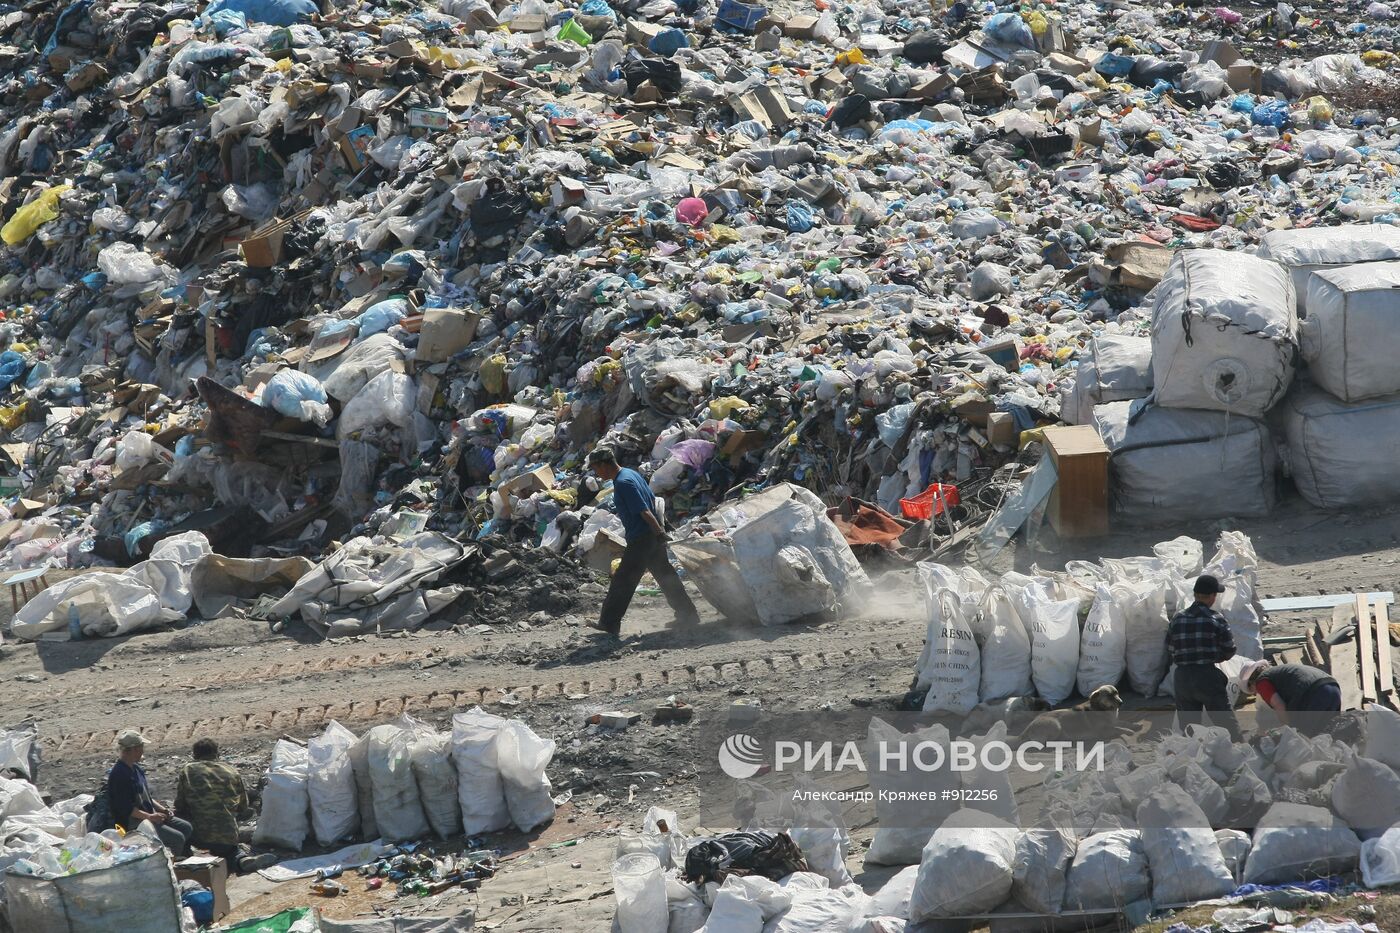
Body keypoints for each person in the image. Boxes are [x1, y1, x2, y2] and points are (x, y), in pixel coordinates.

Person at [586, 446, 700, 637]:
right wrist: (659, 533)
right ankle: (687, 615)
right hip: (651, 535)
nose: (596, 473)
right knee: (666, 576)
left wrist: (659, 532)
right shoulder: (630, 474)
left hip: (642, 537)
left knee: (623, 580)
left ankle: (609, 623)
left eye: (596, 468)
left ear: (604, 465)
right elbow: (652, 502)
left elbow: (644, 510)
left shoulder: (623, 482)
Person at [1166, 574, 1242, 741]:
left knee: (1189, 728)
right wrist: (1216, 657)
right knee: (1225, 723)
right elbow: (1230, 650)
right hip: (1207, 677)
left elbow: (1170, 648)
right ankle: (1239, 753)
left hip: (1182, 678)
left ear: (1195, 594)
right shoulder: (1216, 619)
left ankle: (1192, 759)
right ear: (1213, 596)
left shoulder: (1177, 618)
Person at [108, 730, 193, 856]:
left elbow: (146, 796)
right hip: (135, 824)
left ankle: (185, 860)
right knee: (177, 839)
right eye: (140, 748)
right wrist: (150, 817)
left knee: (186, 827)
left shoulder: (136, 769)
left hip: (149, 817)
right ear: (132, 750)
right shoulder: (119, 775)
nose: (142, 751)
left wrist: (163, 810)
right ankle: (172, 867)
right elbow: (125, 809)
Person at [175, 738, 251, 870]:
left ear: (195, 754)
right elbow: (243, 807)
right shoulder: (232, 771)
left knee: (177, 820)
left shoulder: (188, 770)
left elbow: (180, 804)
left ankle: (187, 860)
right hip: (228, 837)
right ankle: (240, 860)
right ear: (217, 753)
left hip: (199, 837)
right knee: (229, 852)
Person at [1239, 661, 1341, 735]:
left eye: (1252, 690)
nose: (1256, 693)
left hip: (1314, 694)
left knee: (1304, 737)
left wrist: (1288, 730)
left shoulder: (1261, 682)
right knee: (1328, 732)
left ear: (1252, 683)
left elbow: (1279, 706)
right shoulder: (1279, 673)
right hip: (1333, 687)